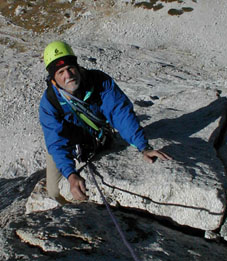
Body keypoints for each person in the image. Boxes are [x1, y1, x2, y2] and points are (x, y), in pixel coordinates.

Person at [39, 40, 172, 202]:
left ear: (77, 66)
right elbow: (56, 141)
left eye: (70, 68)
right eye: (60, 72)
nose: (68, 75)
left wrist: (143, 146)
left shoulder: (99, 82)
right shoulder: (50, 103)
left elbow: (120, 113)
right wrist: (71, 174)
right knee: (54, 192)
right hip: (68, 142)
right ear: (53, 77)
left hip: (96, 135)